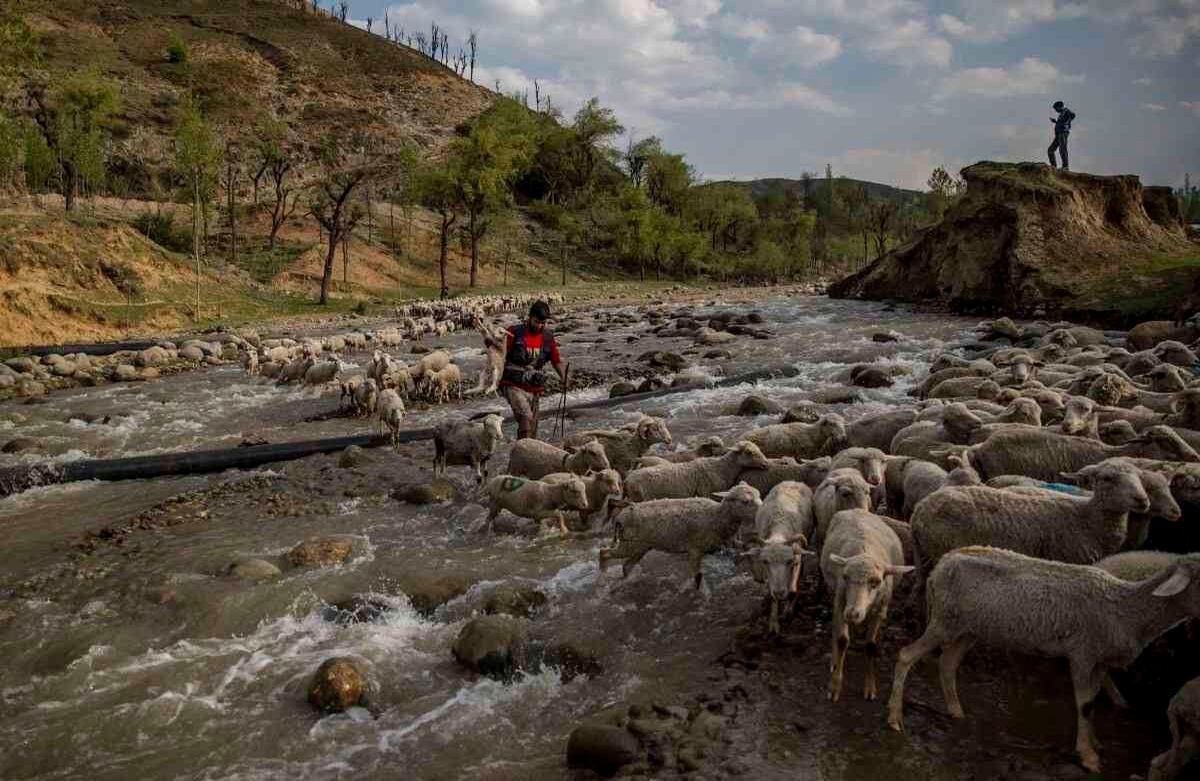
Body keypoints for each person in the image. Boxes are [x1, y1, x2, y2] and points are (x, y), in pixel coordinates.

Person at [494, 300, 567, 439]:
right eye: (536, 321)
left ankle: (524, 453)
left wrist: (564, 377)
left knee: (532, 429)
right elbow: (498, 352)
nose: (539, 325)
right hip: (512, 383)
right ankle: (522, 454)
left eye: (542, 322)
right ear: (530, 317)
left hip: (533, 387)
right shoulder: (513, 332)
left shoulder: (547, 337)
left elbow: (556, 361)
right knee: (525, 418)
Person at [1048, 100, 1076, 171]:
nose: (1056, 111)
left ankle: (1065, 167)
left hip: (1063, 133)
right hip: (1058, 134)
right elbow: (1062, 122)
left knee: (1062, 149)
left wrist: (1067, 122)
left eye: (1056, 109)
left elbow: (1073, 115)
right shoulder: (1061, 114)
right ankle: (1053, 167)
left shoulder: (1066, 110)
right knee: (1050, 150)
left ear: (1060, 107)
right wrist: (1056, 122)